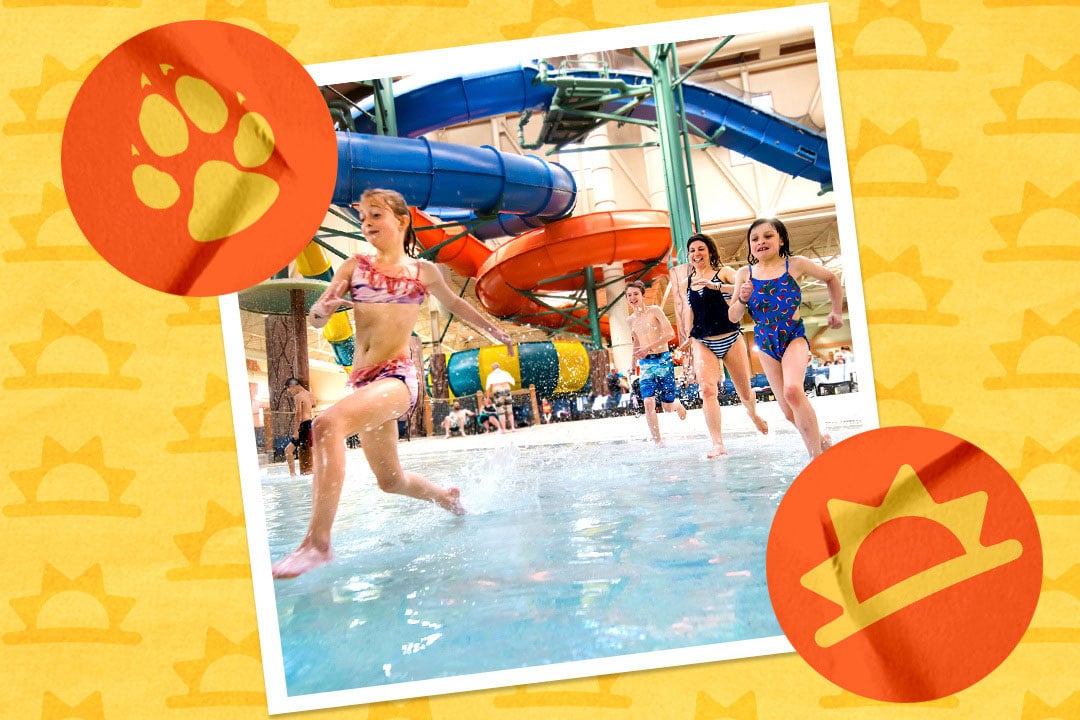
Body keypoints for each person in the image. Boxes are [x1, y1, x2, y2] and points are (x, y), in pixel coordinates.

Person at [271, 188, 514, 579]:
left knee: (326, 425)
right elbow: (322, 310)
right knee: (390, 480)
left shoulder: (423, 272)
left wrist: (495, 332)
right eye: (363, 218)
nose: (367, 224)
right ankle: (444, 496)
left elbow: (456, 305)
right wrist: (320, 312)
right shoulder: (352, 266)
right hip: (361, 382)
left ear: (401, 221)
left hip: (397, 378)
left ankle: (317, 544)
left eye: (376, 215)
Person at [729, 217, 843, 459]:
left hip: (793, 335)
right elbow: (733, 317)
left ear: (781, 240)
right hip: (765, 341)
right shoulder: (744, 274)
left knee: (793, 391)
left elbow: (831, 279)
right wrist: (742, 298)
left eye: (768, 236)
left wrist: (835, 310)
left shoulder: (796, 265)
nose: (761, 242)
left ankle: (816, 457)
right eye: (755, 239)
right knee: (788, 413)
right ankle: (821, 440)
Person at [673, 233, 769, 458]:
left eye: (701, 249)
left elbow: (746, 288)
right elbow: (689, 309)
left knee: (744, 391)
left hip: (729, 336)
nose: (697, 254)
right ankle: (717, 443)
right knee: (707, 389)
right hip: (702, 340)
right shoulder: (685, 282)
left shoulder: (723, 273)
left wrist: (716, 287)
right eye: (693, 251)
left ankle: (753, 414)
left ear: (710, 252)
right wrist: (688, 334)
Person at [624, 280, 687, 443]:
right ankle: (657, 441)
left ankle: (676, 403)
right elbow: (636, 343)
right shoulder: (630, 320)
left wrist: (649, 347)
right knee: (648, 401)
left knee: (666, 407)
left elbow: (669, 334)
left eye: (635, 294)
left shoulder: (655, 311)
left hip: (663, 359)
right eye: (629, 295)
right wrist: (632, 364)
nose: (632, 298)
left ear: (643, 295)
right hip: (645, 364)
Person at [282, 377, 314, 477]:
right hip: (310, 423)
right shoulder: (310, 394)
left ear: (292, 386)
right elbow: (314, 404)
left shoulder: (298, 396)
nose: (291, 392)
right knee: (311, 448)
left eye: (290, 390)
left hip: (303, 425)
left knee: (288, 450)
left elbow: (298, 414)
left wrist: (296, 431)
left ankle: (292, 473)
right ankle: (313, 469)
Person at [484, 362, 517, 431]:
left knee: (501, 412)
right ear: (499, 366)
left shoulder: (491, 375)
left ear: (492, 368)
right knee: (509, 411)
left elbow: (487, 388)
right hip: (507, 391)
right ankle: (513, 428)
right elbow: (513, 382)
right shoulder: (505, 373)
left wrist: (487, 398)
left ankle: (504, 429)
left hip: (498, 392)